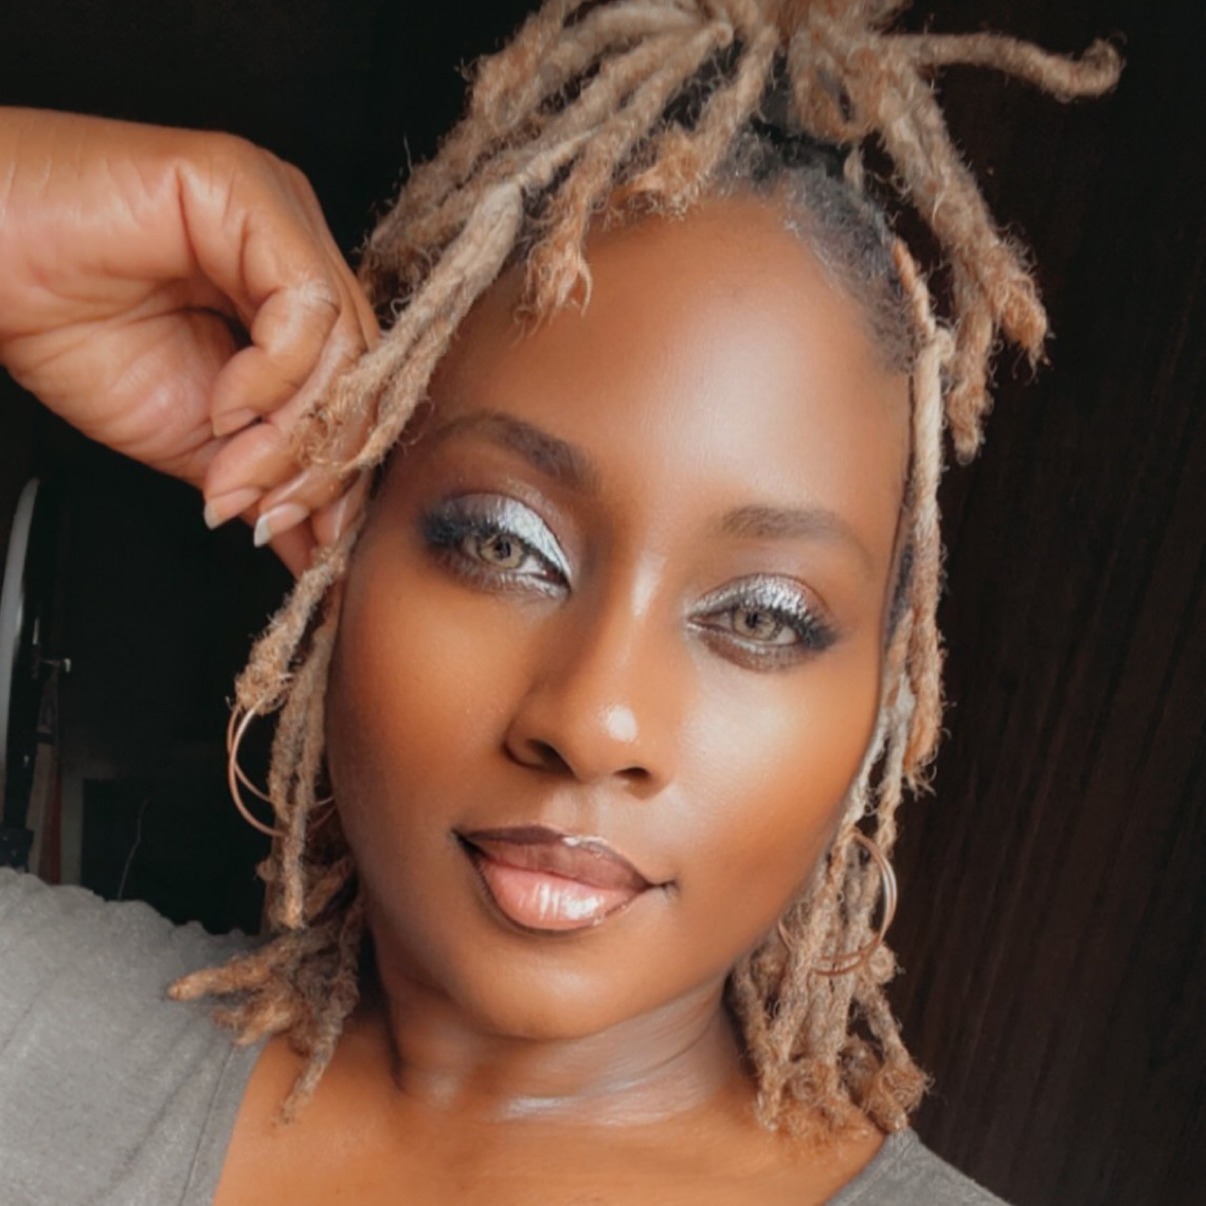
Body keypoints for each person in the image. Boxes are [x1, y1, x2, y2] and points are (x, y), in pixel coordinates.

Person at [0, 2, 1122, 1201]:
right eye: (503, 543)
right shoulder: (31, 1024)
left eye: (761, 616)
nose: (593, 721)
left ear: (884, 711)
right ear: (345, 546)